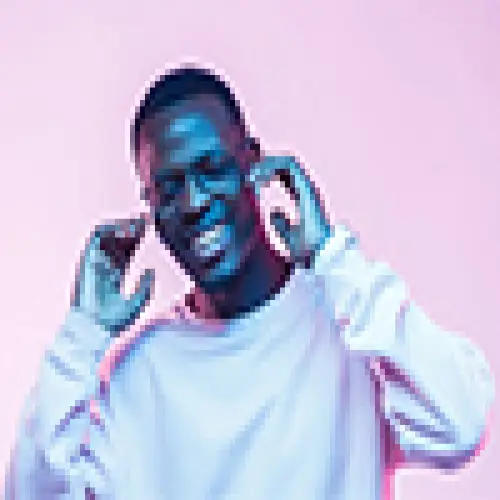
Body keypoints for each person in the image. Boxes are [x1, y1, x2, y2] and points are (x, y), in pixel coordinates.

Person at [5, 64, 494, 500]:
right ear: (149, 206)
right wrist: (83, 333)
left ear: (254, 164)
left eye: (212, 169)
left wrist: (332, 257)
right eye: (169, 188)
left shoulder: (352, 327)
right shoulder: (137, 373)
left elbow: (460, 424)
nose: (194, 202)